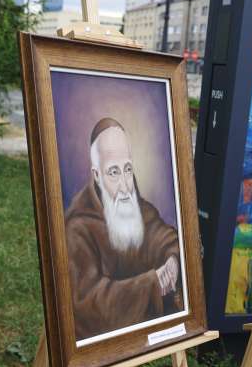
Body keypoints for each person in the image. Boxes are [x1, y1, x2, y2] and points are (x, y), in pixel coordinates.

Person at [65, 117, 183, 341]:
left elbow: (165, 238)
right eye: (113, 172)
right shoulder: (77, 228)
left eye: (127, 169)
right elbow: (88, 302)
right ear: (97, 175)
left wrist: (173, 260)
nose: (124, 186)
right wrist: (152, 283)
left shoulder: (140, 209)